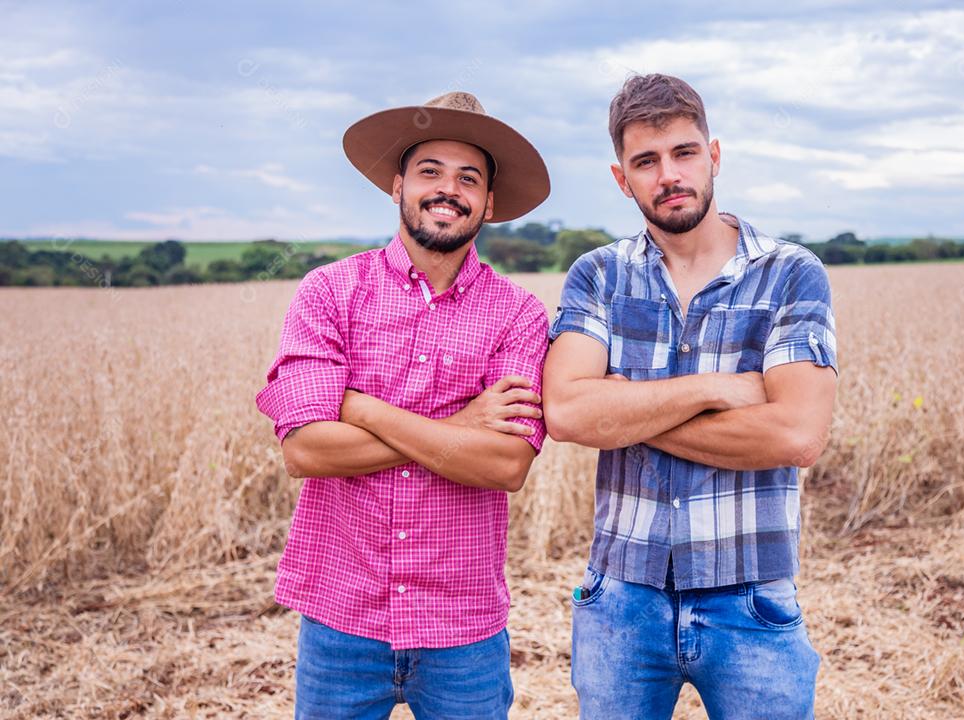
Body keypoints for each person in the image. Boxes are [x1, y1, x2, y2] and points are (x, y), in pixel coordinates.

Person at [543, 73, 838, 719]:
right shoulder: (598, 274)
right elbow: (565, 413)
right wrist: (713, 390)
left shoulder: (789, 273)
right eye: (645, 161)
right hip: (622, 597)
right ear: (623, 178)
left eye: (683, 153)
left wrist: (624, 410)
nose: (667, 174)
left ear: (714, 156)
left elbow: (794, 435)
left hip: (752, 596)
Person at [255, 91, 551, 719]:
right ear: (397, 186)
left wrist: (357, 408)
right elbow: (305, 450)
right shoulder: (329, 293)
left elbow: (505, 465)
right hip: (341, 620)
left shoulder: (520, 315)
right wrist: (457, 426)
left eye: (469, 178)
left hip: (464, 629)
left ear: (489, 203)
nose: (449, 190)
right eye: (430, 172)